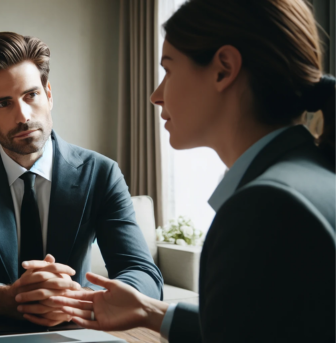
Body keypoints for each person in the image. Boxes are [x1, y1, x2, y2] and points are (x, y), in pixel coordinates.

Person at [48, 0, 336, 341]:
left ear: (223, 69)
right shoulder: (311, 179)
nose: (156, 96)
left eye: (168, 69)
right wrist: (150, 311)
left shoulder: (266, 206)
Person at [0, 32, 163, 327]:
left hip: (76, 329)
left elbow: (143, 274)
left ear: (49, 95)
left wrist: (72, 301)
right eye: (4, 104)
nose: (23, 115)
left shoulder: (101, 173)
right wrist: (7, 299)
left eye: (31, 95)